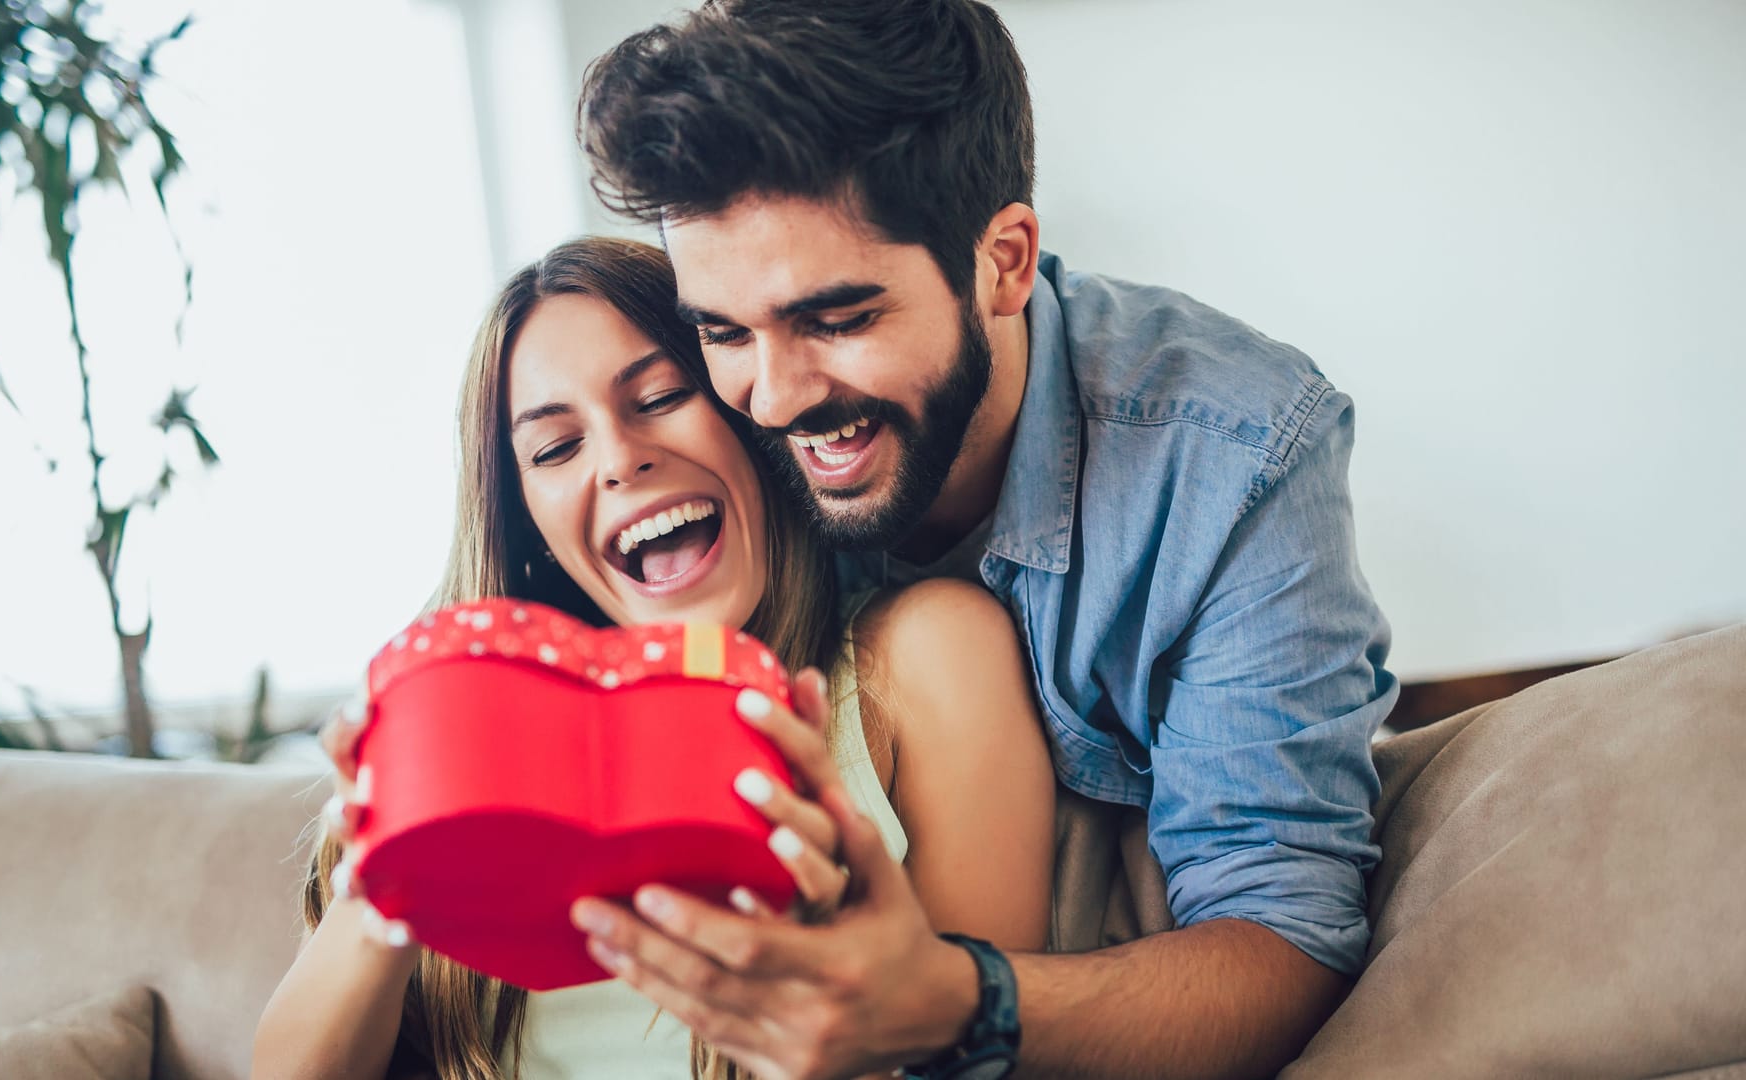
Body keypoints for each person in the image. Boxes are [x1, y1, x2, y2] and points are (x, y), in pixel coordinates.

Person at [568, 2, 1397, 1077]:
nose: (770, 398)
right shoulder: (706, 428)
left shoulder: (1237, 448)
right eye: (724, 330)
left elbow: (1283, 939)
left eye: (837, 320)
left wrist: (954, 999)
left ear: (1003, 262)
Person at [251, 237, 1057, 1080]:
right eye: (556, 449)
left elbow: (986, 1052)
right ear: (533, 528)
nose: (618, 458)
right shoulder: (484, 747)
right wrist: (383, 886)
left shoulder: (925, 658)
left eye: (662, 395)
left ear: (751, 414)